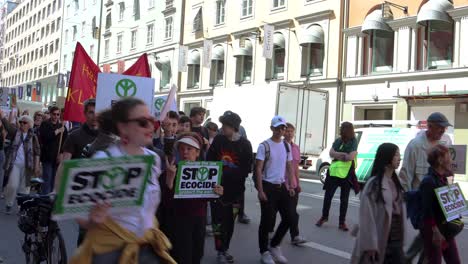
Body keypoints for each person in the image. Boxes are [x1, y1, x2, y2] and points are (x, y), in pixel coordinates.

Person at [70, 98, 175, 264]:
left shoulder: (153, 159)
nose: (151, 127)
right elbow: (78, 210)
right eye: (142, 122)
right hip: (110, 252)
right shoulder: (104, 159)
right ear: (123, 127)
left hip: (146, 249)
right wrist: (92, 220)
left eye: (151, 120)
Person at [160, 132, 223, 264]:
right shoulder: (170, 171)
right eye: (182, 149)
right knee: (180, 256)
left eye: (189, 149)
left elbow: (207, 199)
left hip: (198, 221)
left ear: (197, 152)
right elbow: (164, 205)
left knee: (197, 255)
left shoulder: (206, 171)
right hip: (177, 223)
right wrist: (169, 182)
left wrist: (217, 192)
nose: (185, 152)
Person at [399, 112, 453, 262]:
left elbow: (449, 170)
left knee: (429, 239)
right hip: (423, 201)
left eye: (445, 128)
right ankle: (409, 258)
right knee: (429, 236)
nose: (443, 131)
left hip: (441, 200)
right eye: (440, 128)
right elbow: (406, 174)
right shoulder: (415, 145)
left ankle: (407, 259)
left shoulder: (446, 142)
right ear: (429, 127)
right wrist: (407, 199)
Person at [207, 111, 253, 263]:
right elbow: (210, 161)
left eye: (225, 125)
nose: (222, 128)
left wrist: (228, 174)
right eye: (222, 125)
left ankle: (225, 248)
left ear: (234, 127)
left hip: (235, 193)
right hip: (217, 190)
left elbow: (246, 169)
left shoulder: (245, 144)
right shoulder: (219, 140)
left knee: (230, 223)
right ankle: (220, 250)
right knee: (217, 222)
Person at [351, 143, 405, 264]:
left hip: (396, 240)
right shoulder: (373, 185)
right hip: (380, 239)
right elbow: (366, 217)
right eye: (396, 154)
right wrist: (370, 245)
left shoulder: (397, 182)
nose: (399, 158)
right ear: (387, 157)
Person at [256, 116, 295, 264]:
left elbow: (289, 166)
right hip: (268, 186)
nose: (280, 130)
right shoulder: (264, 146)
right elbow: (258, 169)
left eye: (283, 128)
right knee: (267, 221)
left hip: (282, 186)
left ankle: (274, 245)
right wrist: (260, 190)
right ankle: (264, 252)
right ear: (272, 128)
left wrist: (291, 185)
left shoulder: (286, 146)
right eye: (278, 127)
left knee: (290, 218)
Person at [419, 145, 461, 264]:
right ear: (440, 160)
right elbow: (427, 210)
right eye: (448, 156)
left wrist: (451, 181)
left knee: (454, 261)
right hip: (434, 229)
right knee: (434, 261)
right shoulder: (428, 181)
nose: (451, 160)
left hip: (445, 227)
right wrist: (435, 231)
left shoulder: (444, 178)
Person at [316, 121, 358, 231]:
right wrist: (343, 155)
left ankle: (342, 222)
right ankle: (324, 217)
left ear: (347, 130)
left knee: (344, 199)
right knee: (328, 196)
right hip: (334, 172)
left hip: (346, 173)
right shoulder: (338, 140)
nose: (341, 130)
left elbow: (351, 157)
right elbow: (331, 153)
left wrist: (338, 154)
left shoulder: (353, 141)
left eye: (342, 128)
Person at [3, 115, 40, 214]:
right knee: (12, 185)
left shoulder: (33, 136)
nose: (22, 124)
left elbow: (37, 152)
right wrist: (2, 116)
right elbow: (8, 127)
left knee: (25, 188)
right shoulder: (16, 132)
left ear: (29, 125)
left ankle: (22, 207)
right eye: (21, 122)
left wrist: (36, 166)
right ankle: (9, 204)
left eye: (24, 122)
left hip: (28, 165)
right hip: (14, 163)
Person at [282, 123, 307, 245]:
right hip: (281, 184)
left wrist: (298, 183)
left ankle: (295, 236)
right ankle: (270, 233)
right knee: (273, 212)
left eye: (292, 131)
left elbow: (296, 167)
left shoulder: (296, 148)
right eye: (287, 131)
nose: (289, 133)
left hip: (293, 184)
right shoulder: (279, 146)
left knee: (292, 212)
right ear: (283, 132)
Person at [39, 106, 68, 194]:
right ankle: (44, 199)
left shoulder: (62, 126)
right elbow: (45, 137)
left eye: (58, 114)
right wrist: (57, 131)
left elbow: (65, 143)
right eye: (54, 114)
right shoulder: (45, 124)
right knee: (47, 178)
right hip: (47, 156)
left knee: (55, 180)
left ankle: (51, 199)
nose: (56, 116)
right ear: (51, 114)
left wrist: (61, 154)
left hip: (57, 157)